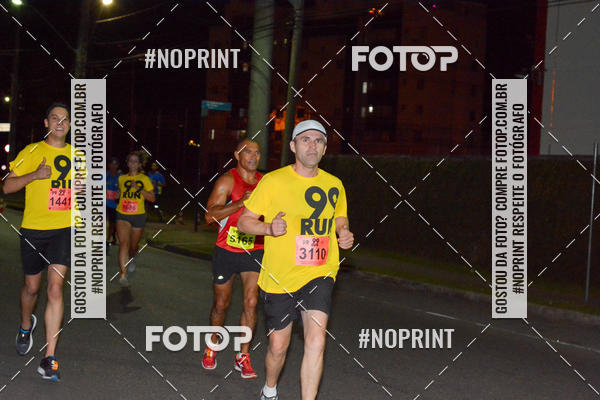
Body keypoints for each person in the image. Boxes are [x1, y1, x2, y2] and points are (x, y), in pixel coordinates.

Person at [238, 120, 354, 400]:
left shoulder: (334, 184)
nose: (312, 145)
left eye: (318, 141)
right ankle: (270, 388)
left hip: (320, 272)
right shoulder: (273, 181)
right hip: (280, 277)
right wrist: (269, 228)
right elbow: (243, 222)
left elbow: (340, 216)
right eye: (305, 140)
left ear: (324, 148)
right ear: (293, 146)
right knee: (279, 346)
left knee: (317, 340)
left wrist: (343, 231)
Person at [3, 102, 72, 381]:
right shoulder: (32, 151)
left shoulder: (78, 155)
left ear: (70, 125)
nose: (60, 123)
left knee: (55, 289)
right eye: (55, 118)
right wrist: (35, 175)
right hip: (33, 229)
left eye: (65, 119)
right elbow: (7, 186)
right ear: (46, 123)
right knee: (32, 288)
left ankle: (49, 358)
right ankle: (25, 326)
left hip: (63, 229)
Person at [202, 139, 263, 379]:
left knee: (251, 302)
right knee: (221, 304)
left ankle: (243, 356)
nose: (253, 156)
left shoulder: (265, 183)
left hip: (254, 249)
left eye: (257, 152)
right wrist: (239, 203)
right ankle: (212, 345)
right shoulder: (227, 181)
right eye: (248, 152)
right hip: (226, 250)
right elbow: (210, 216)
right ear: (237, 155)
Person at [115, 152, 155, 286]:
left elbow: (152, 198)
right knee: (124, 244)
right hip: (122, 214)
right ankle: (123, 275)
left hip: (138, 216)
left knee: (133, 247)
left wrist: (138, 189)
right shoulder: (121, 178)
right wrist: (117, 195)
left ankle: (131, 258)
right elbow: (120, 193)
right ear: (127, 163)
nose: (132, 163)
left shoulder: (144, 179)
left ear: (139, 164)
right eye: (130, 161)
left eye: (135, 161)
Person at [106, 157, 121, 252]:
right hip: (103, 204)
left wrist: (120, 193)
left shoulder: (121, 177)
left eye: (115, 164)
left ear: (117, 166)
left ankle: (107, 241)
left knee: (111, 225)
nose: (113, 166)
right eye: (112, 163)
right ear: (109, 165)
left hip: (115, 206)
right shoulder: (104, 175)